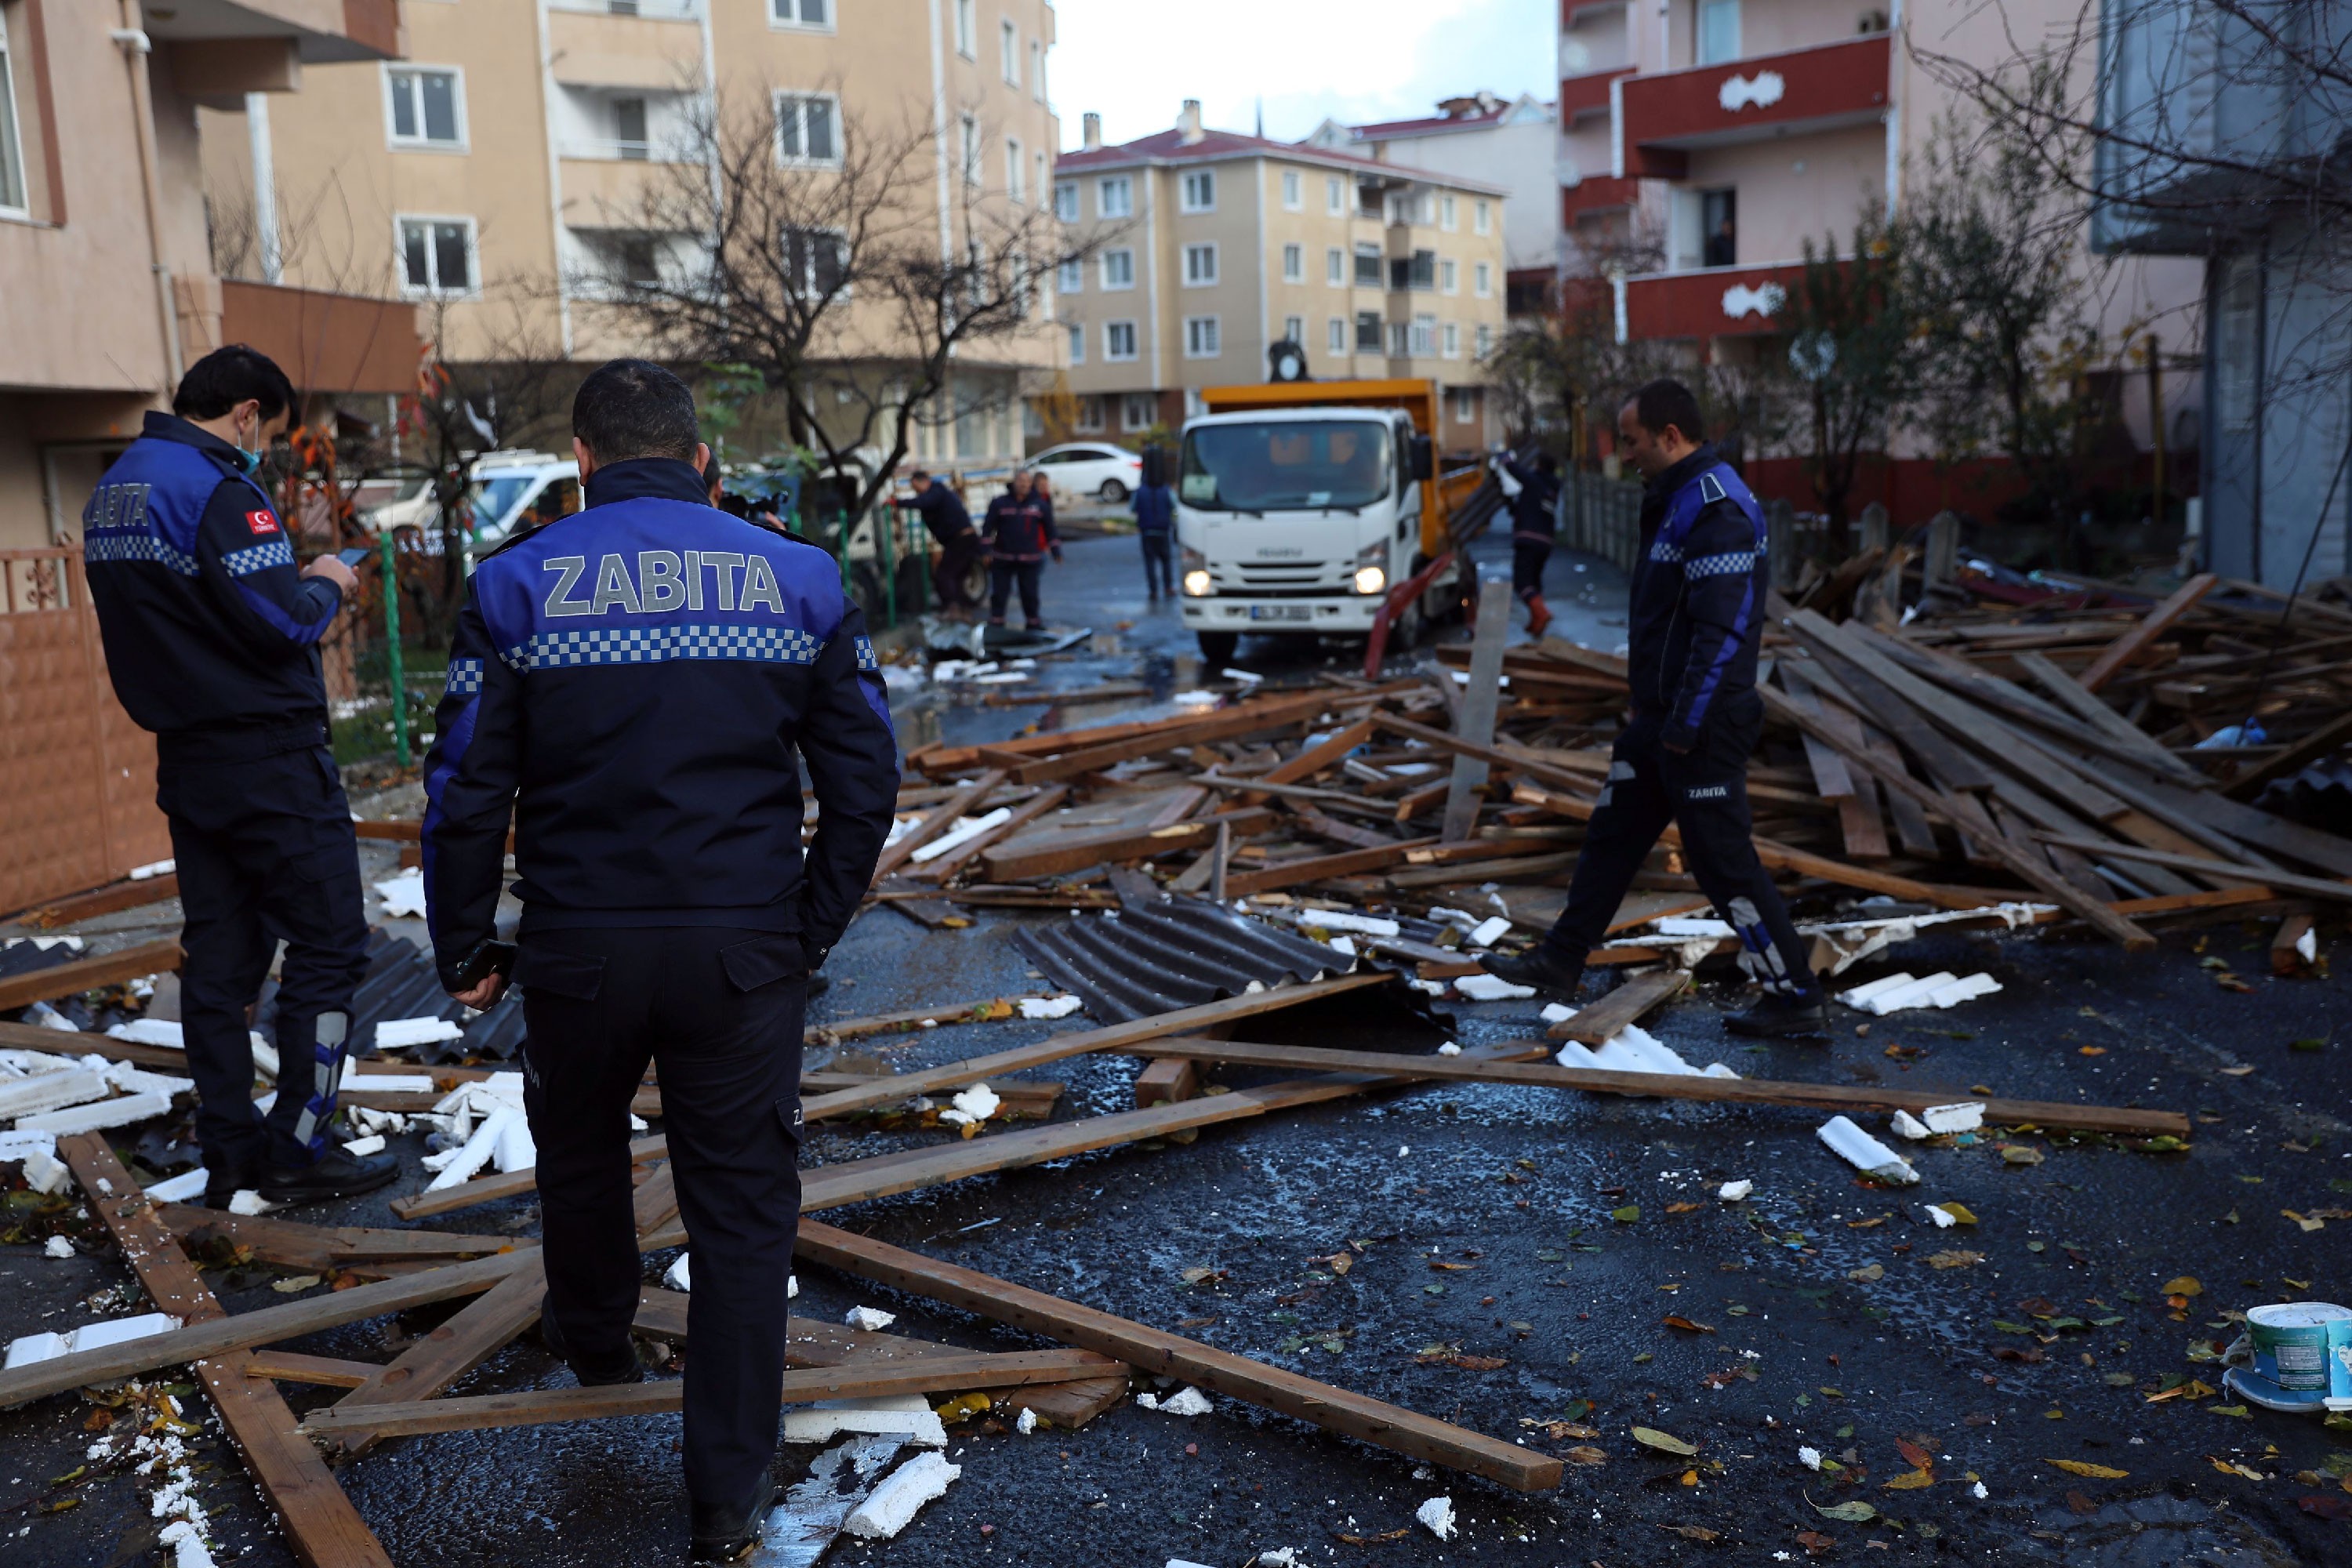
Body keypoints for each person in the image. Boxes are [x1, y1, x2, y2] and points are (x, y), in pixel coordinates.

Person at [423, 360, 898, 1561]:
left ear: (582, 459)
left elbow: (468, 791)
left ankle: (595, 1339)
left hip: (580, 946)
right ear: (701, 460)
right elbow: (867, 776)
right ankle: (722, 1497)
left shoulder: (515, 584)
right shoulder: (796, 577)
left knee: (579, 1152)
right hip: (743, 947)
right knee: (740, 1212)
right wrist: (809, 927)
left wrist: (466, 943)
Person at [79, 345, 397, 1208]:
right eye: (271, 430)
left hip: (189, 757)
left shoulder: (114, 490)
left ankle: (228, 1150)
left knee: (219, 963)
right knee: (331, 944)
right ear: (249, 412)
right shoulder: (216, 487)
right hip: (271, 759)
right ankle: (299, 1147)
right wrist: (328, 580)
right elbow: (281, 621)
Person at [1481, 379, 1827, 1037]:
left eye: (1634, 443)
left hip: (1699, 724)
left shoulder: (1716, 506)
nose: (1626, 456)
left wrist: (1685, 726)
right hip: (1660, 720)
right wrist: (1651, 716)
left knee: (1724, 864)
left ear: (1671, 437)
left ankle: (1797, 999)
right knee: (1612, 836)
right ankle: (1560, 959)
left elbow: (1721, 634)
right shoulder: (1673, 500)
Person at [981, 468, 1062, 630]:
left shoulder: (1039, 505)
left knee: (1030, 593)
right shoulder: (999, 503)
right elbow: (987, 528)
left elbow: (1050, 530)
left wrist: (1056, 551)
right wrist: (985, 551)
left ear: (1031, 484)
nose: (1024, 484)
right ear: (1014, 482)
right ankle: (997, 624)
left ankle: (1033, 624)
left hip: (1029, 559)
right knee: (1000, 593)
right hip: (1003, 558)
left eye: (1027, 481)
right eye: (1021, 481)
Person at [1497, 448, 1563, 637]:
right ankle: (1536, 621)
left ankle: (1541, 613)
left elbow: (1516, 471)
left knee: (1522, 582)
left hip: (1529, 540)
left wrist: (1505, 459)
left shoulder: (1535, 481)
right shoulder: (1551, 488)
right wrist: (1513, 507)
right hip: (1545, 543)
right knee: (1534, 582)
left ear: (1540, 466)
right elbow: (1528, 507)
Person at [907, 468, 980, 615]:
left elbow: (925, 502)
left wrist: (896, 502)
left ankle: (952, 609)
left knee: (945, 575)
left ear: (924, 482)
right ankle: (961, 610)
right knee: (957, 577)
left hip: (962, 540)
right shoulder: (938, 494)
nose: (917, 493)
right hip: (960, 540)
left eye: (917, 488)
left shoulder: (936, 492)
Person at [1133, 470, 1177, 600]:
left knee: (1150, 562)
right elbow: (1174, 505)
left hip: (1147, 532)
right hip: (1163, 531)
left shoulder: (1139, 492)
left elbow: (1132, 508)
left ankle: (1153, 591)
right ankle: (1168, 587)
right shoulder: (1166, 490)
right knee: (1166, 561)